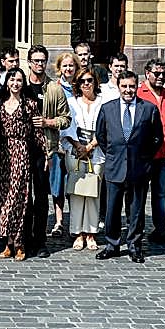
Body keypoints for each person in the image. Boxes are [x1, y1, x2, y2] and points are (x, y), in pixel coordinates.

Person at [91, 70, 163, 263]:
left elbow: (157, 137)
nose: (128, 90)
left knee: (136, 210)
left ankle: (134, 245)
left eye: (132, 86)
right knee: (112, 209)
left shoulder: (148, 109)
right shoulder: (108, 108)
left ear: (136, 86)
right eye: (124, 86)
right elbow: (101, 135)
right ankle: (112, 245)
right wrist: (113, 154)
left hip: (139, 167)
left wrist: (145, 158)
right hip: (115, 166)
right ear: (118, 87)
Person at [0, 68, 43, 261]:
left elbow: (38, 134)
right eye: (12, 79)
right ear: (7, 82)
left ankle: (20, 243)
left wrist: (45, 156)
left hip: (22, 152)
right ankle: (8, 242)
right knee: (5, 198)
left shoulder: (30, 104)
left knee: (19, 198)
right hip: (4, 154)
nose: (15, 83)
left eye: (19, 80)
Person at [136, 59, 165, 248]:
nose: (161, 77)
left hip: (164, 155)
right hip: (143, 156)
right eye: (157, 73)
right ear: (147, 73)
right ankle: (135, 232)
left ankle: (161, 231)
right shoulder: (139, 93)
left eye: (164, 74)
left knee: (161, 194)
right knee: (138, 194)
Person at [61, 69, 104, 251]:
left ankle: (91, 233)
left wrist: (91, 146)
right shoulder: (71, 102)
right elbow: (66, 127)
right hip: (75, 150)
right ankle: (78, 232)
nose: (86, 84)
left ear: (95, 82)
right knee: (77, 192)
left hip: (97, 150)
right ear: (77, 85)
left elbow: (106, 127)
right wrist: (79, 146)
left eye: (89, 80)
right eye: (82, 81)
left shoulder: (104, 103)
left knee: (94, 192)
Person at [40, 53, 77, 240]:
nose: (68, 69)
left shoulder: (83, 86)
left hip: (79, 143)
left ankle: (76, 222)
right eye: (65, 66)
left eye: (72, 66)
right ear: (59, 68)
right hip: (58, 142)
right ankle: (59, 220)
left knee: (75, 185)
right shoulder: (53, 88)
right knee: (57, 185)